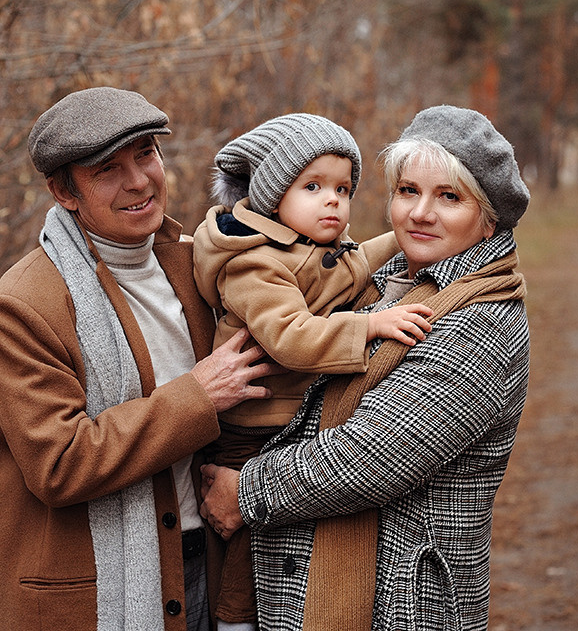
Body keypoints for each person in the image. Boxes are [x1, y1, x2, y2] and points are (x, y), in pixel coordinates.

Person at [199, 104, 531, 631]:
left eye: (449, 196)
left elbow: (374, 458)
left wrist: (246, 491)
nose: (420, 213)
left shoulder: (480, 321)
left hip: (401, 603)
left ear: (489, 218)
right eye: (407, 191)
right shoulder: (391, 281)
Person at [0, 87, 280, 631]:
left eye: (146, 153)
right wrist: (197, 396)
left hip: (212, 566)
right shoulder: (26, 303)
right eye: (107, 170)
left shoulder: (200, 266)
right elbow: (60, 464)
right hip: (100, 593)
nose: (139, 180)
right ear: (63, 191)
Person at [191, 113, 433, 630]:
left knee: (282, 540)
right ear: (273, 195)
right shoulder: (252, 262)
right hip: (251, 427)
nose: (333, 201)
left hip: (287, 421)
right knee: (241, 551)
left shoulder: (305, 248)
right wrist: (369, 325)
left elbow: (354, 266)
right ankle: (235, 623)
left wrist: (404, 235)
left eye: (344, 188)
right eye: (313, 186)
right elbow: (291, 337)